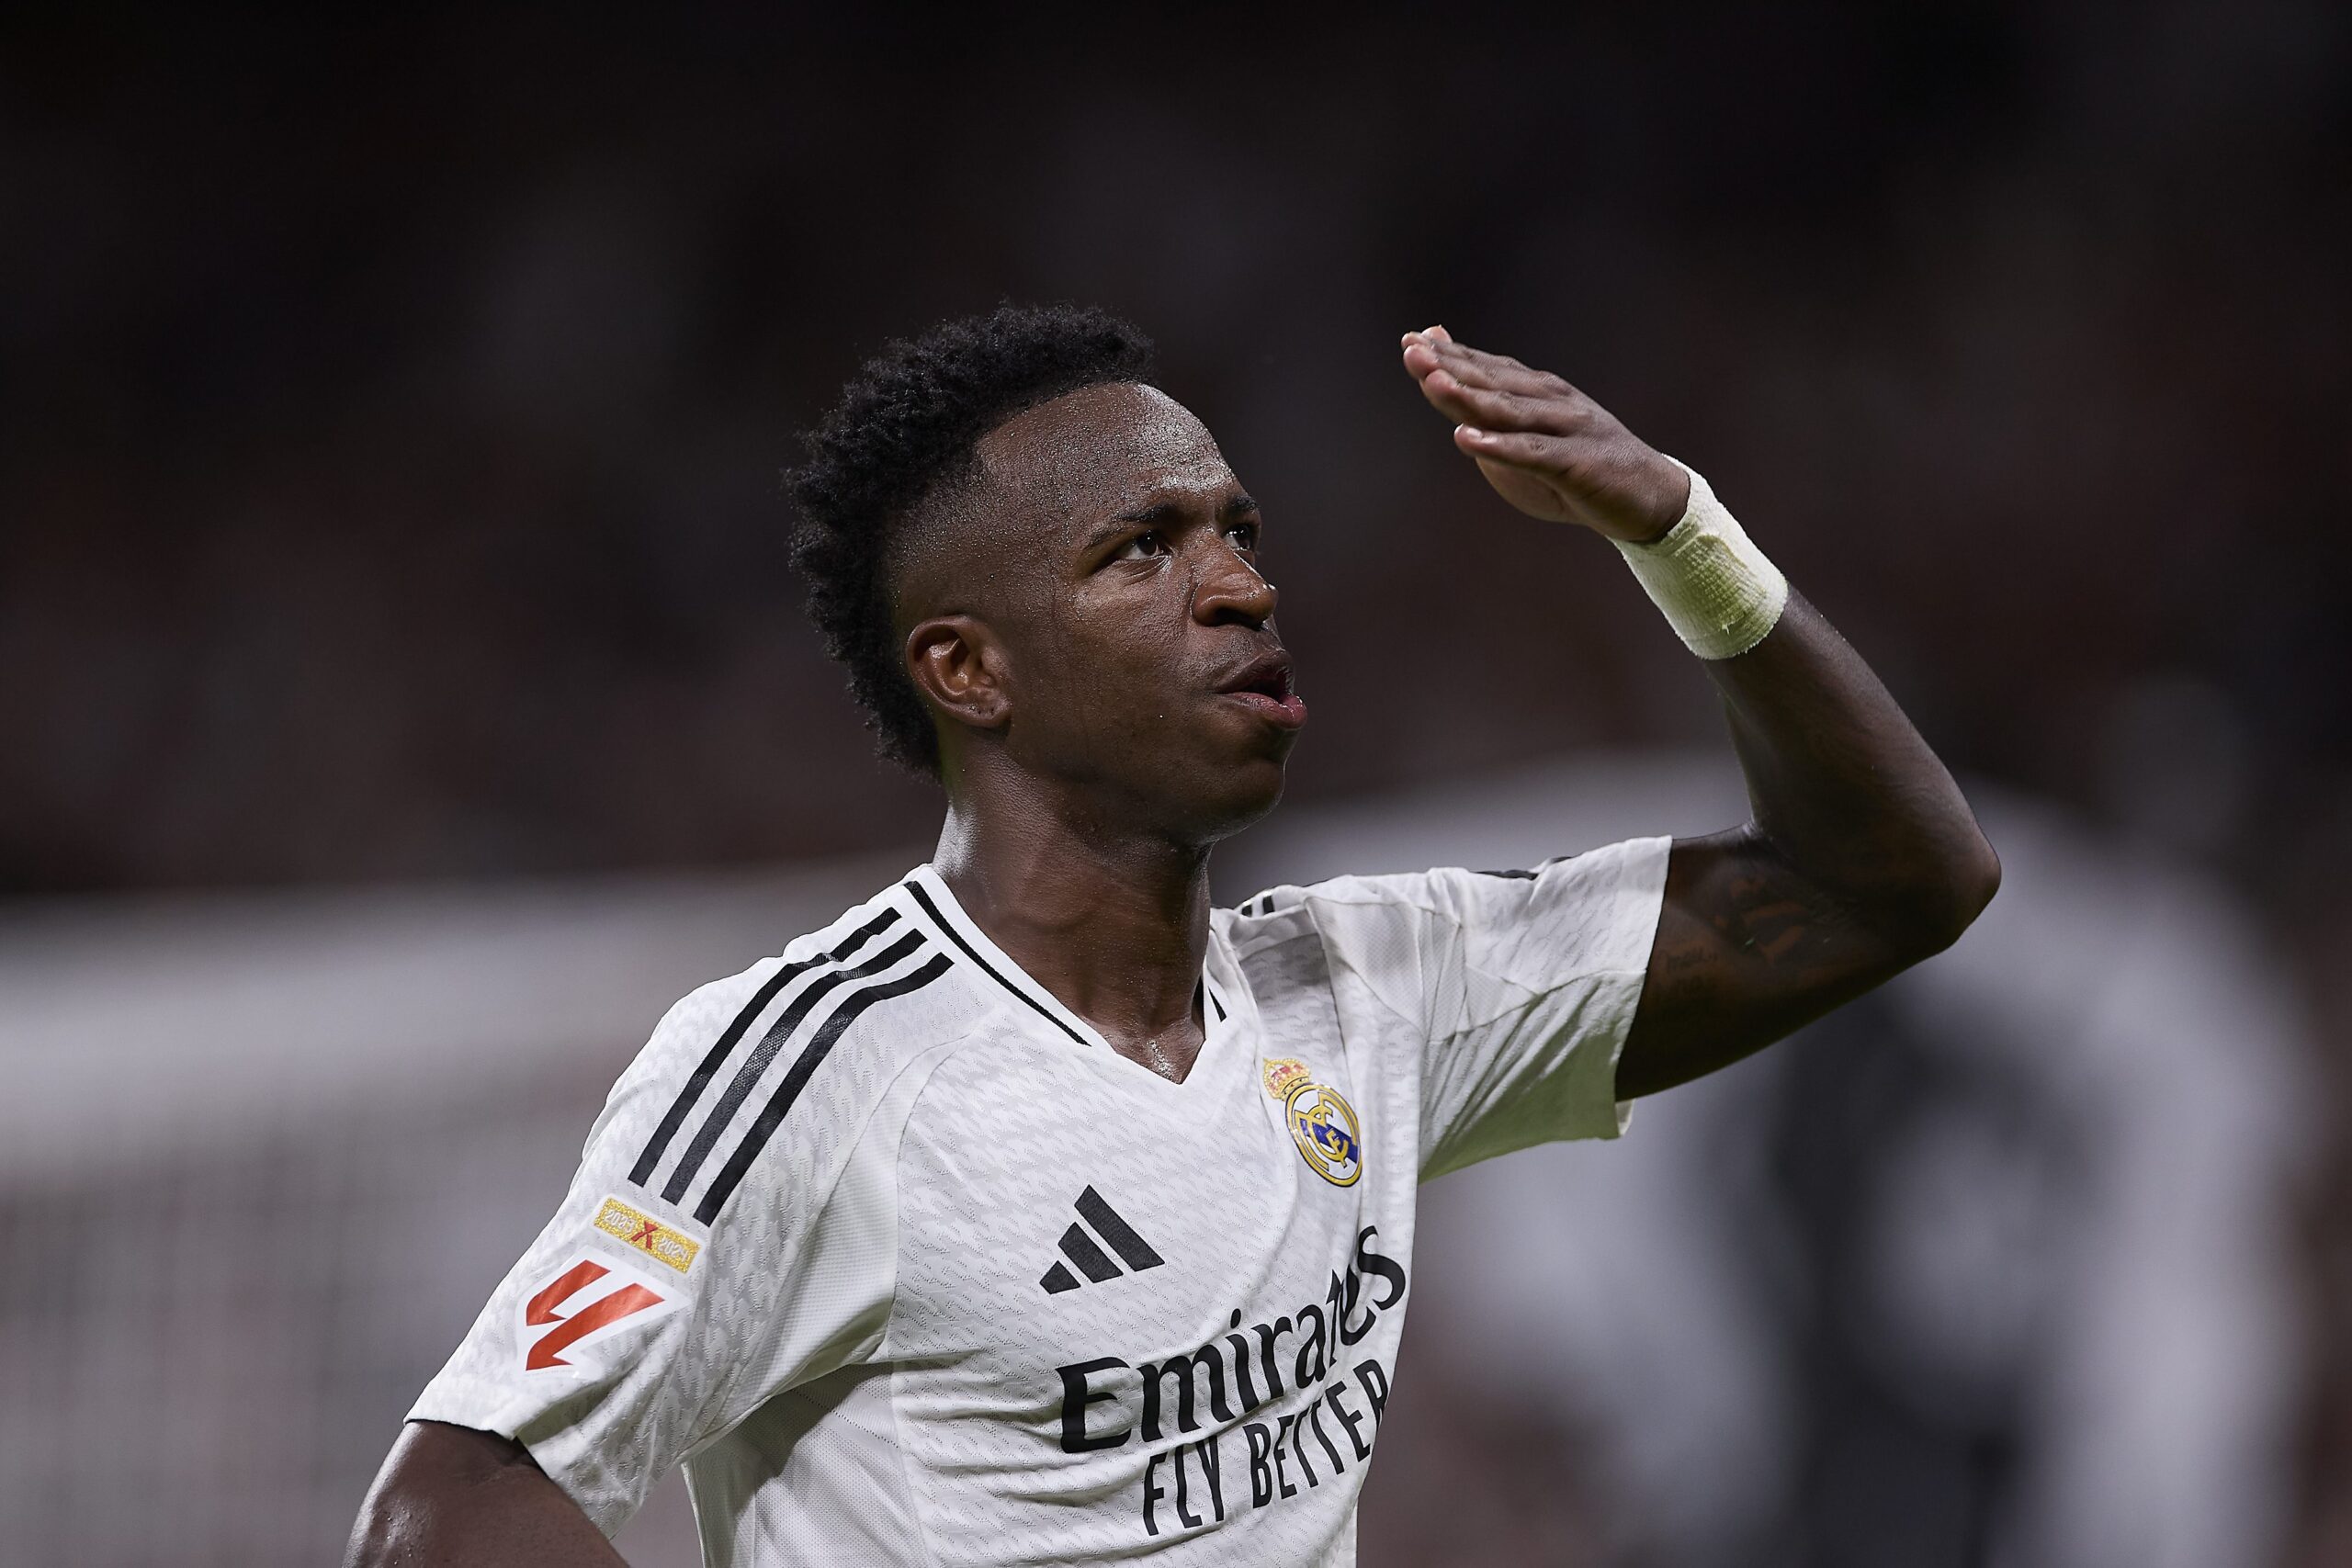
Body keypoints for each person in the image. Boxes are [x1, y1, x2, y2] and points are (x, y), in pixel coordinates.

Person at [345, 304, 1998, 1566]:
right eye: (1142, 549)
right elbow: (446, 1512)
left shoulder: (1369, 987)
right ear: (966, 670)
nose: (1238, 586)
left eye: (1239, 534)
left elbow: (1894, 882)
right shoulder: (820, 1063)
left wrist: (1676, 529)